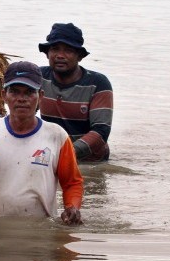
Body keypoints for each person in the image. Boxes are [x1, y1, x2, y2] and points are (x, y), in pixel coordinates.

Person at [0, 61, 84, 225]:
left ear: (40, 96)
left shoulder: (56, 135)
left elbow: (72, 183)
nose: (21, 99)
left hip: (42, 235)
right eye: (14, 92)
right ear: (4, 95)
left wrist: (72, 207)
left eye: (29, 92)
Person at [38, 22, 113, 162]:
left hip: (89, 160)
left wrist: (68, 153)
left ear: (79, 56)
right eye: (55, 49)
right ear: (47, 53)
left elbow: (101, 131)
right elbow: (22, 111)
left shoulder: (98, 84)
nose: (60, 55)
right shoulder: (39, 77)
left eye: (68, 50)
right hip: (51, 155)